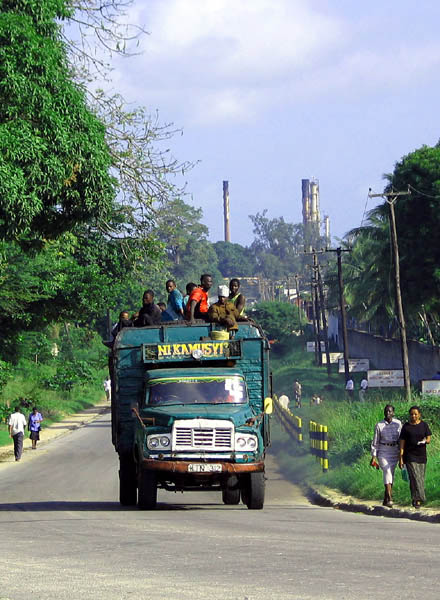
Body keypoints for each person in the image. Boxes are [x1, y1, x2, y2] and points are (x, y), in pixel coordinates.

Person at [399, 406, 432, 508]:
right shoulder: (406, 427)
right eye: (412, 414)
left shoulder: (424, 425)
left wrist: (425, 441)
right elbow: (402, 443)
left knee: (420, 478)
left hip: (421, 456)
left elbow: (429, 438)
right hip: (409, 456)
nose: (413, 416)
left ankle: (415, 498)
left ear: (419, 415)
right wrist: (400, 458)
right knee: (414, 477)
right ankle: (420, 498)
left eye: (415, 414)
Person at [370, 404, 402, 507]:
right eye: (386, 411)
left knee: (391, 473)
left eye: (390, 411)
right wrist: (373, 457)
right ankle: (390, 497)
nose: (388, 413)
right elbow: (375, 441)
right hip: (383, 450)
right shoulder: (379, 425)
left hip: (394, 450)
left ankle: (385, 498)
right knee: (387, 471)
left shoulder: (398, 423)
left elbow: (401, 439)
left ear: (393, 413)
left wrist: (402, 453)